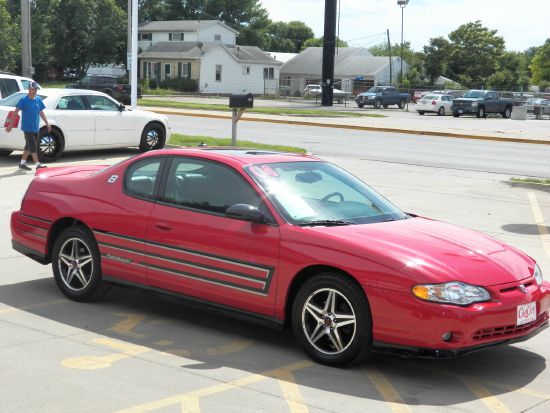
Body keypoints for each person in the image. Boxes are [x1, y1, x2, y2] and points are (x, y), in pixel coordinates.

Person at [4, 81, 51, 170]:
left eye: (36, 89)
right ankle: (37, 164)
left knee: (28, 146)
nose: (34, 91)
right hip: (27, 128)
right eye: (33, 89)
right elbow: (15, 112)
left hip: (35, 127)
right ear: (29, 89)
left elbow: (41, 112)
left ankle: (22, 163)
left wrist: (47, 123)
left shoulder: (38, 100)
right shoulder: (23, 100)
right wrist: (10, 125)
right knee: (33, 146)